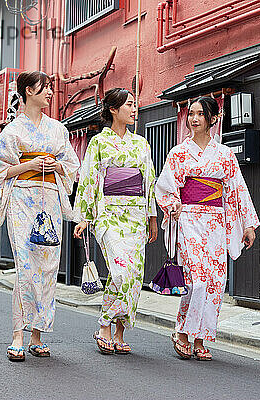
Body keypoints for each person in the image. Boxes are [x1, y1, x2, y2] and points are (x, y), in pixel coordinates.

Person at [155, 96, 260, 361]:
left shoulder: (224, 155)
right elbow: (165, 187)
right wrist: (174, 205)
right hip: (189, 219)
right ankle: (181, 332)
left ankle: (201, 337)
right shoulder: (179, 153)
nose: (194, 118)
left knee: (215, 281)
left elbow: (237, 189)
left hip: (215, 221)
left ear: (213, 118)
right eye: (191, 113)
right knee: (196, 279)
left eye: (201, 114)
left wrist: (247, 224)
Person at [0, 71, 80, 361]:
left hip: (49, 199)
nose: (51, 93)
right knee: (26, 267)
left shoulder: (58, 130)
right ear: (29, 91)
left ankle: (38, 335)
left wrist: (54, 165)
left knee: (48, 267)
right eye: (46, 88)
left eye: (51, 88)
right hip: (22, 197)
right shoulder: (13, 130)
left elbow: (71, 164)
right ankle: (18, 333)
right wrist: (29, 166)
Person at [73, 88, 158, 354]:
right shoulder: (99, 142)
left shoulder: (141, 143)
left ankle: (119, 331)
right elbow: (89, 178)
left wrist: (152, 218)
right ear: (113, 109)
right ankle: (104, 325)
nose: (134, 109)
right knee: (120, 271)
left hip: (135, 215)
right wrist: (84, 217)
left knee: (133, 276)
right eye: (128, 105)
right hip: (108, 214)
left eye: (135, 105)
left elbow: (149, 183)